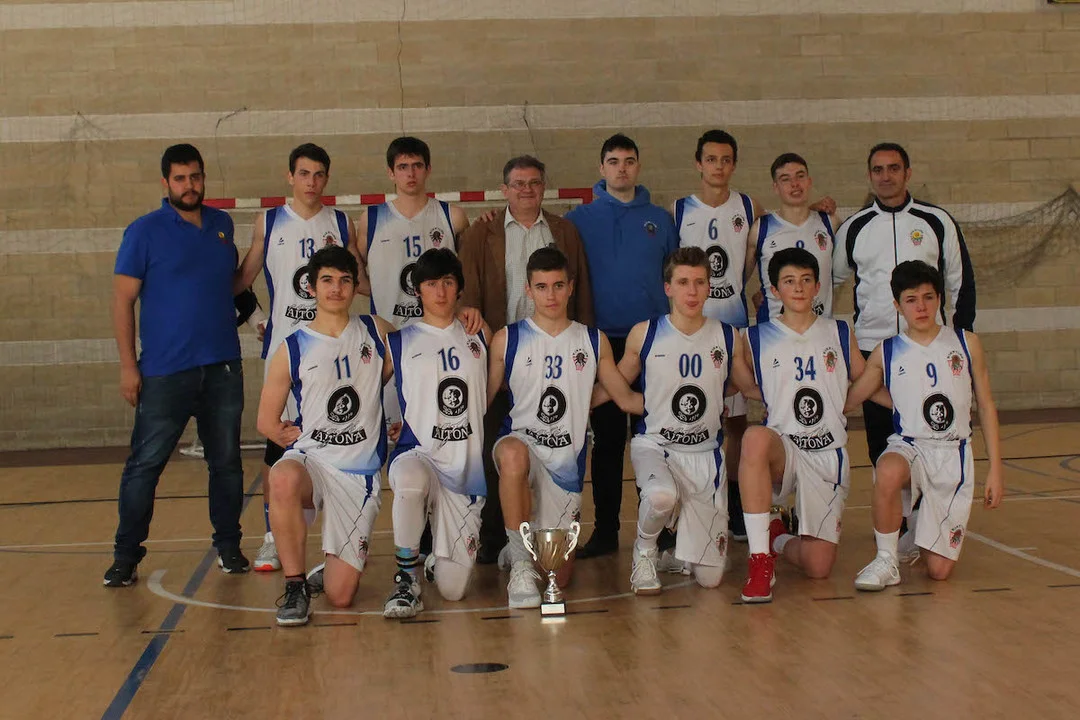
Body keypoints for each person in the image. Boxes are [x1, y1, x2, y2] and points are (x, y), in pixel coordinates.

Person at [105, 143, 249, 587]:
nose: (190, 185)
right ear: (166, 182)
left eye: (196, 177)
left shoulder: (222, 226)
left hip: (222, 368)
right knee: (145, 465)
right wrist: (128, 367)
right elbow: (122, 301)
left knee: (226, 463)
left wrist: (261, 250)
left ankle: (229, 547)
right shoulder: (143, 232)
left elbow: (229, 285)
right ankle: (126, 556)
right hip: (164, 372)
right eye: (181, 178)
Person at [459, 154, 595, 564]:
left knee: (550, 445)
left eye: (534, 182)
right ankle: (495, 537)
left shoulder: (563, 231)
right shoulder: (481, 233)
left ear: (543, 187)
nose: (526, 190)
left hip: (554, 356)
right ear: (504, 190)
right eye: (518, 183)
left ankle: (544, 527)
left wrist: (584, 360)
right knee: (499, 450)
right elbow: (468, 292)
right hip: (502, 354)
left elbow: (581, 292)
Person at [487, 247, 641, 608]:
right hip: (521, 445)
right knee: (512, 455)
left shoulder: (592, 340)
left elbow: (624, 398)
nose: (551, 295)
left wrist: (682, 404)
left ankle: (524, 544)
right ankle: (520, 562)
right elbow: (481, 400)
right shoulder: (507, 339)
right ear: (528, 290)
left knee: (559, 573)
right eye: (541, 287)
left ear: (571, 287)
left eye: (558, 285)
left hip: (564, 465)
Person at [234, 143, 360, 573]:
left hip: (335, 352)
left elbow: (363, 279)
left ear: (327, 178)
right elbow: (242, 279)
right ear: (290, 177)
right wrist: (250, 314)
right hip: (286, 353)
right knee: (280, 444)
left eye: (319, 174)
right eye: (304, 173)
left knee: (334, 440)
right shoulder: (269, 222)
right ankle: (273, 537)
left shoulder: (340, 223)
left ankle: (335, 538)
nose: (311, 182)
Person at [606, 247, 758, 594]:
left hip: (705, 453)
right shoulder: (645, 333)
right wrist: (577, 401)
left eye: (700, 282)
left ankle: (676, 553)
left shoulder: (726, 336)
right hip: (656, 445)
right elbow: (619, 387)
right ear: (668, 288)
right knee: (661, 496)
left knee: (710, 579)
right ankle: (644, 552)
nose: (692, 291)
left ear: (709, 287)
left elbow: (746, 386)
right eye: (683, 282)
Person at [844, 261, 1003, 590]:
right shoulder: (887, 351)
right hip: (911, 447)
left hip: (953, 453)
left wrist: (996, 471)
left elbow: (986, 406)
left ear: (939, 299)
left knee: (939, 571)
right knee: (887, 468)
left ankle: (918, 527)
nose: (921, 307)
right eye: (911, 299)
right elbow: (852, 398)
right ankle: (886, 560)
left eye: (928, 297)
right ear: (897, 305)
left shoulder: (966, 343)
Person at [257, 247, 393, 625]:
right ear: (311, 287)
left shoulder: (377, 330)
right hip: (313, 460)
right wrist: (288, 435)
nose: (336, 288)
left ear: (355, 286)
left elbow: (417, 351)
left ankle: (331, 568)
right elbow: (266, 421)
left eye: (345, 281)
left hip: (358, 473)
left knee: (341, 596)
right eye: (327, 280)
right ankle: (295, 585)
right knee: (282, 477)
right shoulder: (293, 347)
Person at [566, 133, 679, 559]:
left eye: (629, 161)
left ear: (638, 166)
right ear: (601, 168)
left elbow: (674, 278)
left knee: (661, 439)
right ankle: (606, 531)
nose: (621, 168)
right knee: (609, 443)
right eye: (613, 161)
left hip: (654, 341)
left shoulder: (660, 219)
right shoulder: (578, 220)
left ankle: (666, 530)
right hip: (604, 345)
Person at [832, 142, 976, 470]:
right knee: (881, 444)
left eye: (894, 168)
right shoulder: (854, 227)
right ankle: (889, 502)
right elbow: (827, 284)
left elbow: (961, 282)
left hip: (930, 348)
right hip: (874, 350)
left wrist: (961, 340)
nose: (886, 176)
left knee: (934, 432)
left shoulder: (937, 221)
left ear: (907, 173)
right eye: (878, 170)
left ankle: (930, 499)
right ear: (870, 175)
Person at [736, 248, 866, 603]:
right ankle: (759, 560)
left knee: (819, 566)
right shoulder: (754, 337)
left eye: (806, 280)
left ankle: (777, 537)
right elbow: (742, 385)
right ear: (774, 290)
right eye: (789, 281)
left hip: (827, 451)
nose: (798, 287)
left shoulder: (839, 332)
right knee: (754, 438)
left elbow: (866, 378)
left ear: (817, 287)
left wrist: (845, 403)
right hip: (784, 450)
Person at [382, 249, 492, 618]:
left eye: (447, 282)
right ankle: (406, 579)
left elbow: (490, 391)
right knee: (410, 480)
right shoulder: (399, 341)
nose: (440, 292)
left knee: (453, 591)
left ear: (459, 287)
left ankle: (436, 560)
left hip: (465, 469)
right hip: (420, 453)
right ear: (418, 291)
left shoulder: (481, 334)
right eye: (431, 284)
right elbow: (365, 391)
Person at [673, 129, 764, 545]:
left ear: (734, 164)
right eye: (711, 159)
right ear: (699, 163)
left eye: (726, 159)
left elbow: (766, 246)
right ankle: (690, 505)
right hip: (690, 331)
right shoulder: (679, 210)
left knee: (737, 420)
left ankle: (736, 502)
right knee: (692, 414)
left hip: (733, 327)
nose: (719, 166)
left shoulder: (749, 207)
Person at [748, 153, 842, 322]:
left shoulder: (830, 223)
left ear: (809, 181)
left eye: (800, 176)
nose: (795, 184)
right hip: (774, 330)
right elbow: (739, 279)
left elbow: (846, 269)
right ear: (775, 187)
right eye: (785, 179)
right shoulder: (760, 229)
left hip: (820, 329)